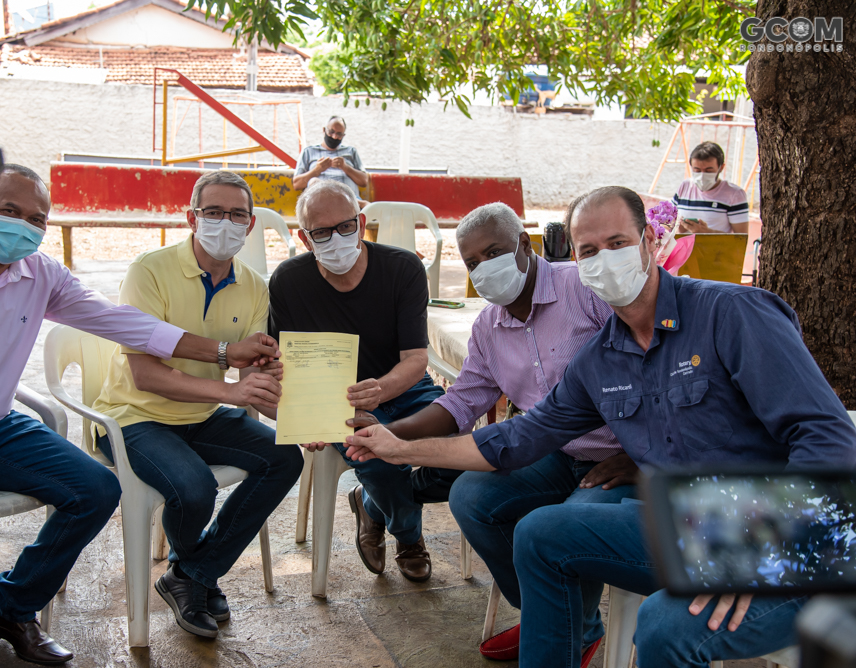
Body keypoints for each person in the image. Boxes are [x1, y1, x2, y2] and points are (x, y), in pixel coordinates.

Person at [343, 186, 856, 668]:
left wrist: (755, 549)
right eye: (588, 251)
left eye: (617, 243)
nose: (603, 260)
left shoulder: (733, 314)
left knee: (660, 626)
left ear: (650, 242)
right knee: (539, 532)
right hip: (689, 521)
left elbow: (827, 437)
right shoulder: (600, 360)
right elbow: (516, 439)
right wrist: (397, 446)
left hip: (797, 533)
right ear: (576, 261)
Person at [0, 164, 280, 668]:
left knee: (96, 490)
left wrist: (222, 352)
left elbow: (125, 324)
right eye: (9, 212)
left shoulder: (41, 274)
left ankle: (10, 609)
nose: (23, 227)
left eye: (37, 219)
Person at [346, 202, 639, 664]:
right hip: (554, 451)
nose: (483, 268)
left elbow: (648, 368)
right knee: (472, 497)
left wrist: (640, 455)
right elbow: (461, 402)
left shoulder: (583, 291)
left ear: (524, 244)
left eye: (494, 252)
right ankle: (559, 619)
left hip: (622, 459)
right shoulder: (488, 326)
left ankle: (565, 629)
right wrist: (387, 435)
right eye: (471, 262)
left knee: (563, 530)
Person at [92, 170, 304, 639]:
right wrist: (230, 391)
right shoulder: (149, 270)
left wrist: (297, 416)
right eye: (213, 212)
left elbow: (250, 378)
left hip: (202, 415)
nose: (225, 223)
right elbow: (145, 374)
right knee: (194, 488)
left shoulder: (253, 286)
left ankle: (191, 574)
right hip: (132, 418)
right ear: (192, 217)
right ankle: (196, 574)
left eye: (236, 215)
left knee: (285, 457)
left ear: (250, 225)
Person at [268, 178, 459, 582]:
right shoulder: (288, 280)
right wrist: (309, 415)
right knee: (379, 457)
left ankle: (370, 506)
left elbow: (415, 358)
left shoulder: (403, 268)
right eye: (322, 232)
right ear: (305, 238)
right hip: (336, 401)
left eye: (345, 226)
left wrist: (383, 388)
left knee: (456, 456)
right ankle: (409, 536)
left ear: (361, 221)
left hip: (404, 387)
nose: (336, 238)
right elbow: (286, 365)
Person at [672, 141, 749, 234]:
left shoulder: (735, 194)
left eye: (709, 171)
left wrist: (706, 232)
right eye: (697, 170)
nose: (702, 176)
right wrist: (678, 229)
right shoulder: (684, 187)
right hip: (683, 248)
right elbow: (666, 223)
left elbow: (741, 239)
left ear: (721, 168)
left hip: (715, 248)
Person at [292, 116, 368, 199]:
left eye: (339, 134)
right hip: (320, 201)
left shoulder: (351, 151)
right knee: (314, 181)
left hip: (349, 199)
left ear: (343, 135)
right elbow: (296, 184)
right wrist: (317, 170)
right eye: (331, 132)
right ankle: (358, 203)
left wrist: (345, 167)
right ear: (324, 130)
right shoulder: (308, 151)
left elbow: (364, 181)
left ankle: (353, 202)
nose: (334, 137)